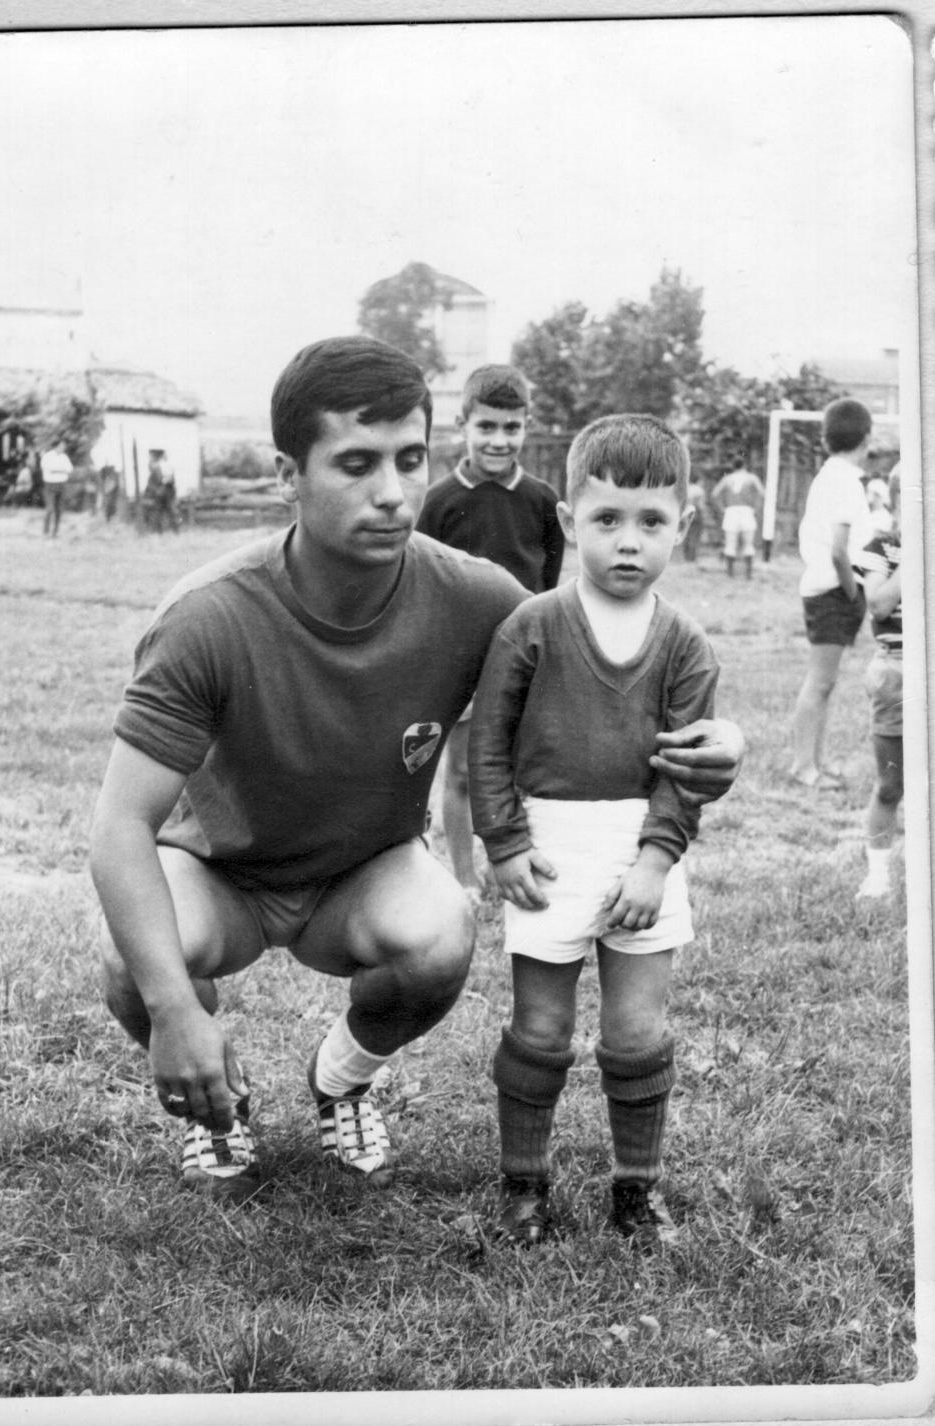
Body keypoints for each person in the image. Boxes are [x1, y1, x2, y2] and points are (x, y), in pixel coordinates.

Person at [89, 337, 745, 1205]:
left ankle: (342, 1077)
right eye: (356, 464)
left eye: (409, 459)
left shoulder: (478, 600)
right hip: (221, 874)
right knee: (135, 960)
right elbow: (118, 830)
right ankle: (221, 1106)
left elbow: (614, 671)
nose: (393, 493)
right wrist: (175, 1011)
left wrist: (725, 739)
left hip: (363, 874)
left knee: (442, 933)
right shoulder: (206, 617)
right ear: (289, 474)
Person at [469, 413, 718, 1250]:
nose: (628, 542)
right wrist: (503, 843)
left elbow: (683, 772)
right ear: (572, 522)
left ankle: (636, 1192)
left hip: (642, 848)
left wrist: (654, 863)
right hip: (548, 846)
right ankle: (523, 1186)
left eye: (652, 522)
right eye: (607, 519)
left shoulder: (685, 646)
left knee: (636, 1031)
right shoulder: (531, 626)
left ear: (682, 526)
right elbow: (488, 743)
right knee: (540, 1029)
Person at [415, 364, 564, 892]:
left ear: (526, 426)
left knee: (521, 769)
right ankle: (462, 878)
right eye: (486, 427)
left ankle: (516, 863)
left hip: (522, 657)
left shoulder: (543, 501)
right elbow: (421, 582)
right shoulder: (437, 501)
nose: (499, 440)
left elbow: (548, 584)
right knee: (459, 772)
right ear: (463, 426)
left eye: (511, 428)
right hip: (458, 659)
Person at [789, 398, 873, 789]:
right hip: (833, 591)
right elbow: (840, 550)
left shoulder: (832, 476)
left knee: (826, 682)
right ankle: (804, 766)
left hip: (828, 588)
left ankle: (814, 764)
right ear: (867, 438)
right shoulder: (845, 482)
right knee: (820, 682)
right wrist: (853, 591)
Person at [853, 463, 902, 900]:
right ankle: (878, 874)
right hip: (897, 670)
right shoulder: (882, 547)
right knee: (890, 782)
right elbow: (880, 604)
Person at [710, 453, 765, 578]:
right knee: (748, 544)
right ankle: (748, 574)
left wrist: (722, 509)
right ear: (744, 465)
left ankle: (730, 573)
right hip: (746, 511)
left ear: (733, 466)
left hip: (731, 511)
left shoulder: (727, 478)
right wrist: (756, 508)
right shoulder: (751, 478)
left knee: (730, 543)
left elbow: (714, 494)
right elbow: (761, 493)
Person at [40, 440, 73, 537]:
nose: (63, 448)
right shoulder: (47, 456)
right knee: (50, 509)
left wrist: (59, 469)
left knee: (59, 509)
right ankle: (46, 531)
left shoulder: (64, 457)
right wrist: (62, 469)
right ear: (56, 446)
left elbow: (70, 469)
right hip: (50, 485)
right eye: (61, 446)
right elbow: (49, 469)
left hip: (61, 485)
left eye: (64, 446)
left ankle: (55, 531)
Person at [682, 477, 706, 563]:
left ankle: (686, 556)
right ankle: (692, 557)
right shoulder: (699, 490)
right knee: (694, 535)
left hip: (684, 514)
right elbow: (700, 505)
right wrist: (703, 515)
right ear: (698, 480)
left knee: (686, 534)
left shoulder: (685, 488)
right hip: (696, 514)